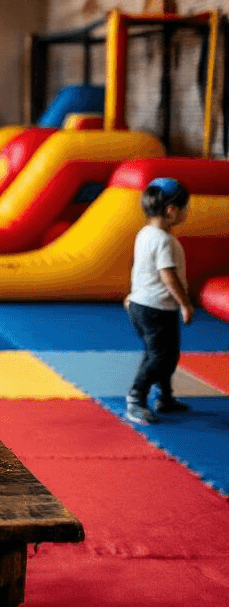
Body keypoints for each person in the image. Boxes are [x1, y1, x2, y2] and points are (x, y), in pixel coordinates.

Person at [123, 177, 194, 425]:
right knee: (161, 357)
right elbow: (168, 276)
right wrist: (185, 303)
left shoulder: (146, 233)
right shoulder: (163, 240)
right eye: (186, 207)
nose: (188, 212)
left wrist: (133, 294)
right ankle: (136, 398)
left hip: (143, 305)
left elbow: (141, 268)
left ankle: (165, 397)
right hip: (156, 308)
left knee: (164, 354)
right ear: (172, 211)